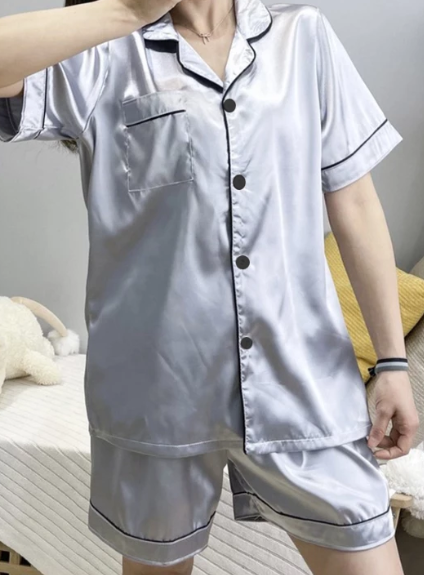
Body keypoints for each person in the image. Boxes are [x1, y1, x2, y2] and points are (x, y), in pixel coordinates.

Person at [0, 1, 419, 574]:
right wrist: (128, 9)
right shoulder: (102, 53)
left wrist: (392, 363)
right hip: (156, 400)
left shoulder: (304, 38)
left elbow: (357, 207)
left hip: (303, 386)